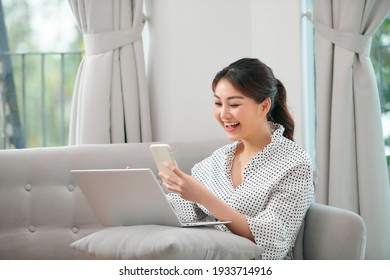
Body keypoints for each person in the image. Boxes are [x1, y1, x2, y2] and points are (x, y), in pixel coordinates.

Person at [158, 57, 315, 260]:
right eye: (217, 103)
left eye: (233, 104)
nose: (224, 114)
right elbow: (187, 211)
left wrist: (203, 196)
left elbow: (273, 239)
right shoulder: (219, 159)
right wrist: (143, 195)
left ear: (264, 106)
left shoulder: (294, 163)